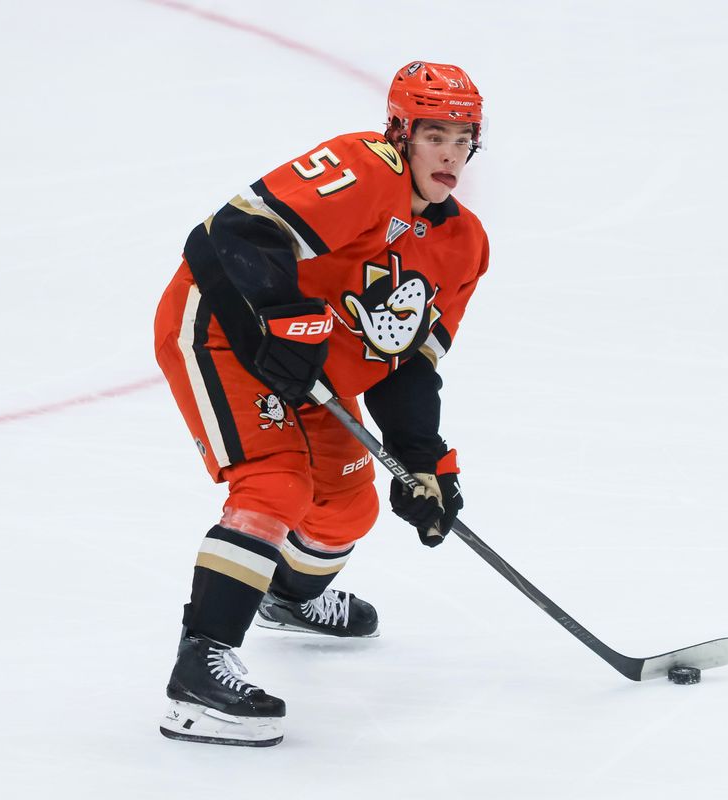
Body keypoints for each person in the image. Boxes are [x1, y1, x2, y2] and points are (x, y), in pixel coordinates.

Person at [153, 61, 489, 747]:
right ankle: (198, 671)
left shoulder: (464, 244)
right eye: (434, 135)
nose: (451, 153)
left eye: (464, 137)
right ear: (400, 131)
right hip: (224, 331)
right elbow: (231, 236)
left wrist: (425, 461)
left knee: (348, 505)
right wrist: (281, 319)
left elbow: (407, 366)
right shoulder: (362, 167)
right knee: (275, 484)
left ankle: (290, 598)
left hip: (307, 370)